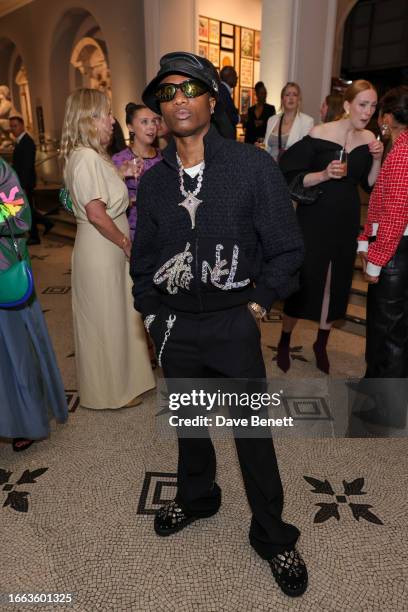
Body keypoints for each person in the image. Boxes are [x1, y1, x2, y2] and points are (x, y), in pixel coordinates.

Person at [130, 52, 308, 597]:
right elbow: (142, 261)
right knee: (189, 422)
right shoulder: (156, 182)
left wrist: (255, 305)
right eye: (167, 92)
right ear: (158, 110)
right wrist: (154, 314)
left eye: (190, 88)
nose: (178, 98)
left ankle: (273, 535)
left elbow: (286, 250)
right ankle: (198, 495)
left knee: (251, 433)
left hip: (234, 322)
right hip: (175, 325)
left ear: (212, 100)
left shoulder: (252, 167)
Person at [277, 80, 383, 374]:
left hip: (347, 217)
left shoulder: (369, 138)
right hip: (314, 216)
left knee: (334, 283)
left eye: (373, 106)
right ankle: (285, 339)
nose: (368, 111)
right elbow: (291, 174)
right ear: (347, 105)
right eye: (363, 104)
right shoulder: (319, 133)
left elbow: (370, 184)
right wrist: (323, 174)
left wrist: (377, 158)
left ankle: (320, 345)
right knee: (306, 278)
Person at [61, 88, 155, 410]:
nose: (111, 120)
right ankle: (110, 392)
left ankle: (127, 382)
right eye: (105, 114)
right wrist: (125, 241)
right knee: (105, 320)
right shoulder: (85, 157)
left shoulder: (96, 155)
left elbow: (105, 194)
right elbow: (96, 213)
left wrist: (123, 173)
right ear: (89, 119)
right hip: (101, 246)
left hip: (108, 244)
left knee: (119, 315)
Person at [0, 157, 68, 451]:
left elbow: (21, 216)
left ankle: (23, 420)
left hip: (3, 273)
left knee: (14, 350)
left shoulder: (1, 170)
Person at [356, 86, 408, 427]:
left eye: (380, 117)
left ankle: (386, 409)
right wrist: (364, 241)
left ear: (387, 118)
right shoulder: (398, 148)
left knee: (389, 332)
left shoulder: (403, 153)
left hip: (396, 252)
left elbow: (394, 214)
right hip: (393, 248)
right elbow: (380, 200)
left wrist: (375, 259)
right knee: (388, 328)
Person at [112, 103, 162, 241]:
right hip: (131, 234)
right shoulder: (119, 160)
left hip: (161, 232)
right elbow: (108, 200)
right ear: (130, 127)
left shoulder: (164, 158)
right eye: (144, 122)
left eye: (154, 121)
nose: (151, 126)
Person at [9, 114, 53, 244]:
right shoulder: (20, 141)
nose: (13, 129)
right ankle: (44, 224)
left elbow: (27, 166)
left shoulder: (27, 142)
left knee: (26, 210)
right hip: (22, 182)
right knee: (27, 209)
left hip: (25, 183)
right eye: (11, 127)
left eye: (15, 126)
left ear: (22, 126)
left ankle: (36, 234)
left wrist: (21, 185)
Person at [264, 82, 314, 161]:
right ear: (282, 99)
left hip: (290, 170)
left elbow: (305, 152)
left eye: (295, 95)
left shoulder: (307, 122)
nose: (291, 98)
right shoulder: (271, 120)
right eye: (287, 95)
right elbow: (266, 148)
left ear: (298, 100)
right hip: (268, 166)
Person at [216, 65, 240, 139]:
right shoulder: (223, 92)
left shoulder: (222, 90)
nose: (237, 78)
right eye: (235, 76)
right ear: (228, 77)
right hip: (224, 137)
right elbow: (227, 115)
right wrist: (240, 118)